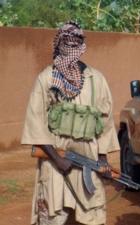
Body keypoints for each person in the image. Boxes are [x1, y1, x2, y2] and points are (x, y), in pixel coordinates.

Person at [21, 21, 119, 225]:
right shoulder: (47, 79)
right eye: (67, 43)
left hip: (88, 164)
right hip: (56, 166)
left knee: (90, 218)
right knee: (54, 218)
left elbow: (105, 121)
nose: (71, 49)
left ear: (82, 46)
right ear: (59, 45)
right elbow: (36, 123)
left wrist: (102, 158)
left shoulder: (96, 79)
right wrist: (57, 158)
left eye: (76, 43)